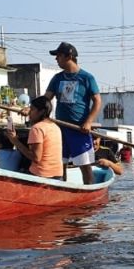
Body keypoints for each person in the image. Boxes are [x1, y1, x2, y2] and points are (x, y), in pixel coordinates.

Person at [43, 42, 101, 185]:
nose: (56, 59)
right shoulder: (57, 78)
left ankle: (89, 193)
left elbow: (97, 101)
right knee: (59, 165)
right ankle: (63, 191)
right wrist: (30, 108)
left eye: (58, 56)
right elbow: (45, 99)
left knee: (85, 166)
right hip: (60, 128)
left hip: (79, 129)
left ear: (69, 56)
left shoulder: (86, 78)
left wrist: (88, 122)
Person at [7, 96, 63, 179]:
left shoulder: (37, 128)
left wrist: (15, 141)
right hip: (58, 174)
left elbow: (36, 158)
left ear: (41, 112)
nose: (29, 113)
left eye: (32, 109)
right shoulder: (55, 127)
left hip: (42, 174)